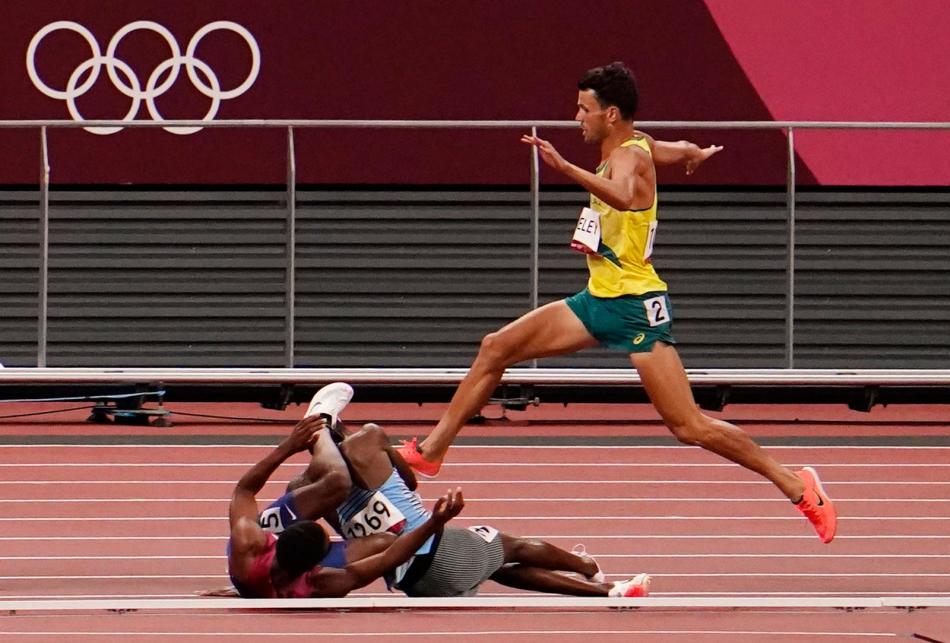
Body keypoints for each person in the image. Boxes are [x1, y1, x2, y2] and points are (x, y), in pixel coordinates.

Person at [398, 61, 837, 544]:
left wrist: (567, 169)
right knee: (496, 347)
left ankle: (798, 486)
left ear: (610, 114)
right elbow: (674, 150)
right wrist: (694, 153)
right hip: (598, 300)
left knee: (688, 425)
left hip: (634, 305)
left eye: (584, 109)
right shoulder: (641, 144)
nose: (575, 117)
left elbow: (627, 197)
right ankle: (433, 451)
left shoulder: (628, 158)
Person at [263, 383, 652, 598]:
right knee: (509, 546)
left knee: (500, 568)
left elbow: (299, 543)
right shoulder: (369, 437)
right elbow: (414, 482)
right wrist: (394, 461)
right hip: (437, 549)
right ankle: (588, 568)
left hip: (410, 581)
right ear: (341, 426)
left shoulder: (306, 487)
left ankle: (609, 592)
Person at [226, 384, 465, 598]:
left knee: (337, 483)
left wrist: (290, 445)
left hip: (266, 549)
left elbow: (244, 491)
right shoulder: (321, 583)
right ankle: (323, 427)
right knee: (386, 538)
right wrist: (435, 521)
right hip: (292, 556)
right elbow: (389, 557)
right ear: (317, 565)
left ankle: (321, 428)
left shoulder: (247, 541)